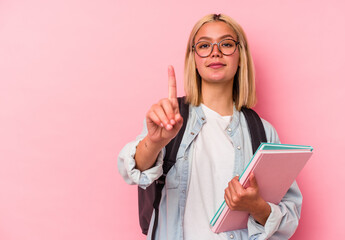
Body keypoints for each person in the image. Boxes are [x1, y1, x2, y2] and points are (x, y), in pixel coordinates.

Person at [118, 13, 302, 240]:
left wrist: (257, 207)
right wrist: (155, 142)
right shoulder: (169, 118)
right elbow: (132, 170)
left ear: (241, 56)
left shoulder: (263, 132)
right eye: (204, 45)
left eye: (226, 44)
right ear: (194, 57)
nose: (215, 52)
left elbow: (290, 216)